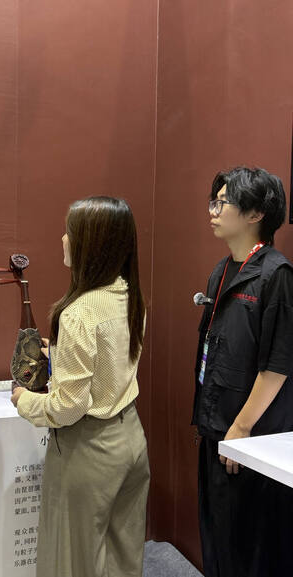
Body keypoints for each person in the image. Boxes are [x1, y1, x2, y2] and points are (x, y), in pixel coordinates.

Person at [11, 196, 150, 577]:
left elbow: (67, 407)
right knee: (123, 556)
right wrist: (59, 350)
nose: (63, 239)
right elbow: (110, 359)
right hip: (131, 438)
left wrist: (24, 401)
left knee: (71, 562)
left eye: (69, 232)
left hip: (89, 451)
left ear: (92, 244)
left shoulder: (78, 313)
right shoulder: (129, 295)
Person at [192, 167, 293, 577]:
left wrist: (241, 428)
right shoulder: (222, 270)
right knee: (216, 539)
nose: (213, 211)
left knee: (248, 549)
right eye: (213, 202)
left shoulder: (277, 275)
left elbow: (277, 365)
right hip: (216, 427)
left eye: (223, 203)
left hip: (249, 438)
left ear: (255, 214)